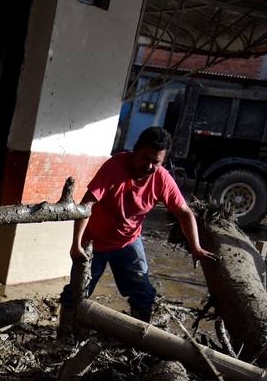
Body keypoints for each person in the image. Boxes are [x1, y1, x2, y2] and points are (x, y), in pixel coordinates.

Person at [64, 126, 210, 321]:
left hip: (128, 241)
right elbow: (86, 205)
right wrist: (76, 244)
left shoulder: (162, 179)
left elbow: (184, 212)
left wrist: (196, 247)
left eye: (156, 162)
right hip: (94, 242)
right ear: (135, 150)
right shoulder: (115, 166)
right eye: (145, 159)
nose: (149, 166)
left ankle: (138, 340)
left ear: (163, 161)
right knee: (77, 292)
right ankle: (65, 333)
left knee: (143, 294)